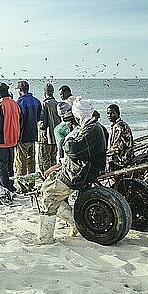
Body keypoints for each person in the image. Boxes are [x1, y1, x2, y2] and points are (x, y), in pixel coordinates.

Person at [39, 97, 107, 244]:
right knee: (46, 187)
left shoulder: (90, 129)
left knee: (49, 195)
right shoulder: (95, 126)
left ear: (78, 115)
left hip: (79, 173)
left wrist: (67, 140)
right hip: (84, 169)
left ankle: (46, 238)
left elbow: (73, 148)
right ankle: (74, 223)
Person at [0, 82, 20, 193]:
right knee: (10, 166)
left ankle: (4, 189)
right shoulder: (15, 104)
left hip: (2, 141)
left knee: (1, 168)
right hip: (13, 140)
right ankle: (11, 186)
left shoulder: (0, 105)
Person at [15, 80, 42, 185]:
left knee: (21, 162)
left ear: (20, 90)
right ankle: (31, 184)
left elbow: (20, 119)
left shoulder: (20, 102)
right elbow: (39, 117)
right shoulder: (36, 101)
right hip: (33, 134)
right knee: (31, 161)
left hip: (23, 136)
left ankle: (22, 186)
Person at [38, 83, 61, 173]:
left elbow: (43, 124)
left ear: (45, 92)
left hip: (46, 138)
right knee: (53, 159)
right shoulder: (57, 104)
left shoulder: (45, 104)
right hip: (55, 137)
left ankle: (47, 179)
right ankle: (53, 177)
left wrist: (38, 124)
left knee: (44, 160)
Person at [106, 104, 134, 171]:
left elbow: (118, 147)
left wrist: (105, 153)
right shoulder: (121, 124)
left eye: (113, 113)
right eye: (108, 113)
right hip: (127, 155)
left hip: (122, 159)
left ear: (118, 113)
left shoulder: (119, 126)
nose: (110, 115)